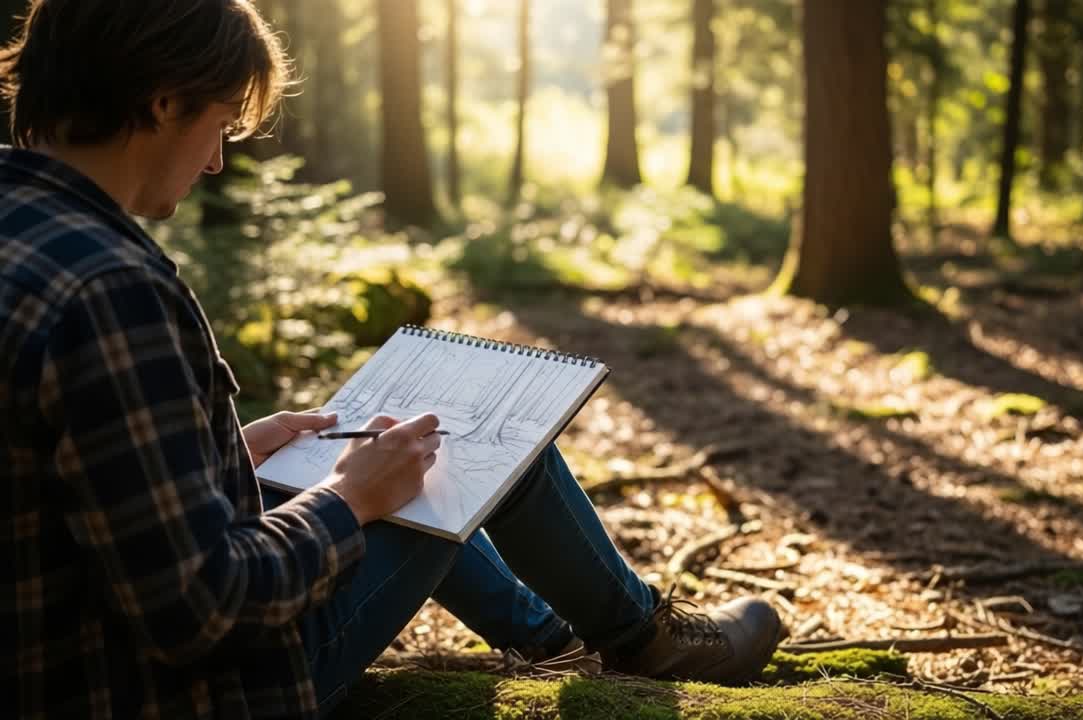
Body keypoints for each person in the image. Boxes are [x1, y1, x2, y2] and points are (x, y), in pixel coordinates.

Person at [0, 2, 784, 718]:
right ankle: (640, 636)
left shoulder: (26, 236)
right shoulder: (113, 291)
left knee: (411, 449)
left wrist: (225, 453)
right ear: (164, 100)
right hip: (189, 691)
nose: (214, 162)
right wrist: (345, 500)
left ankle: (555, 642)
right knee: (471, 443)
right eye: (223, 124)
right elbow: (199, 610)